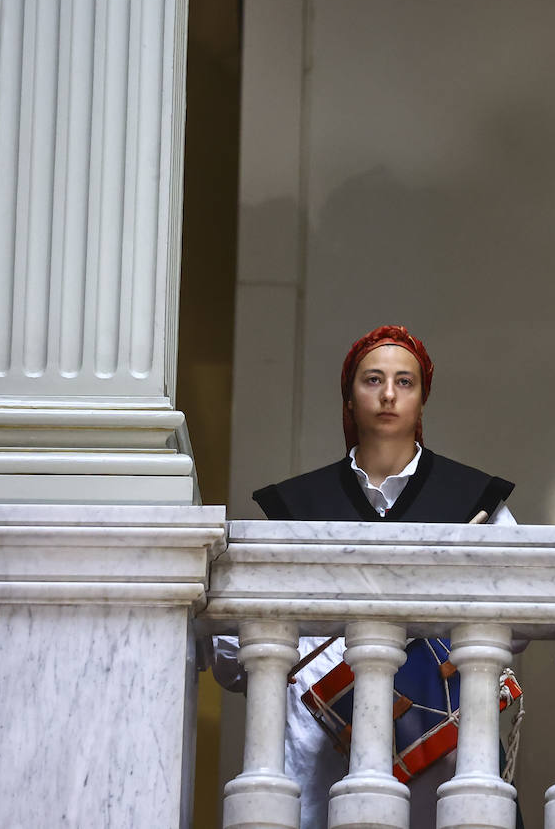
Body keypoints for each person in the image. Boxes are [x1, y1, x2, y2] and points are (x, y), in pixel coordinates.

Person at [213, 324, 518, 829]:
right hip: (318, 747)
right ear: (349, 397)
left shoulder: (474, 500)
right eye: (372, 380)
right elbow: (232, 659)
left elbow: (520, 622)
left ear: (423, 400)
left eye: (405, 382)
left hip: (437, 745)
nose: (389, 395)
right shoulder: (295, 507)